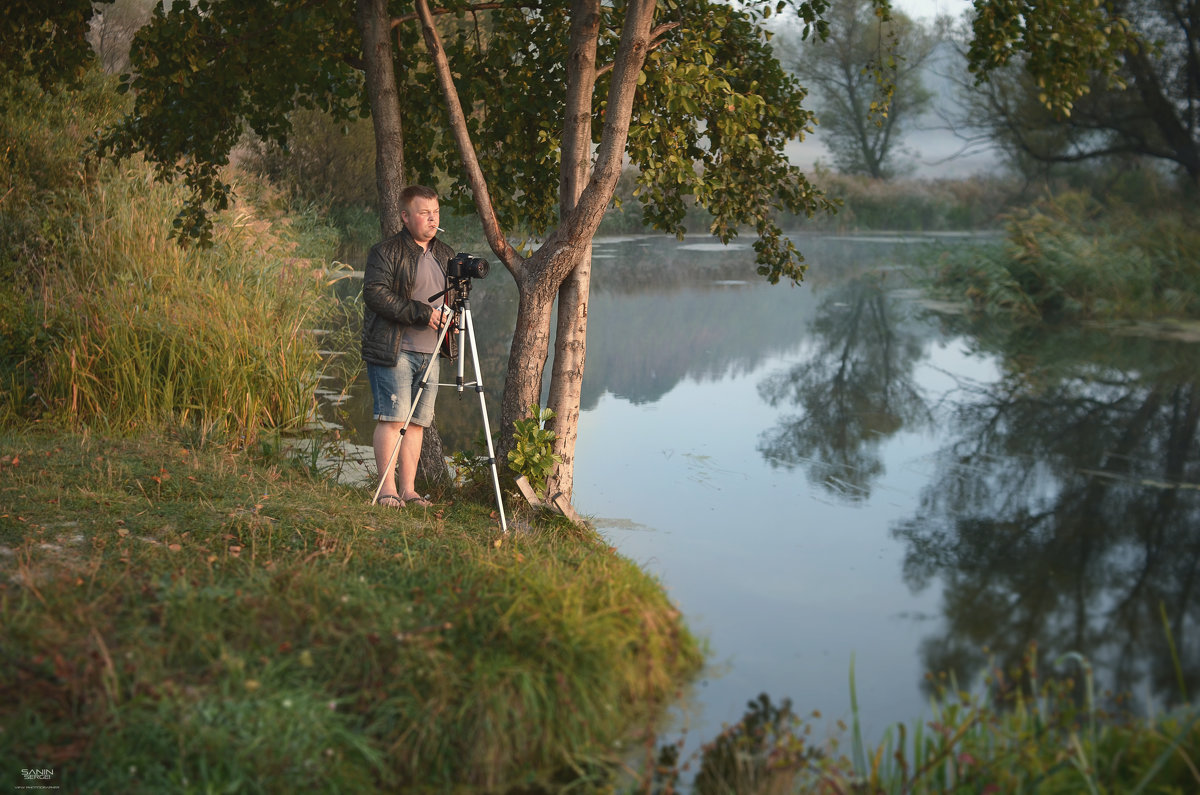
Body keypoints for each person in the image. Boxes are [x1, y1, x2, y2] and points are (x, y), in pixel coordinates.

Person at [361, 185, 454, 508]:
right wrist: (422, 313)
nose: (432, 219)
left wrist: (450, 320)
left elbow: (452, 299)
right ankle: (386, 490)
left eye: (436, 213)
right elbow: (375, 294)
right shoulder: (385, 252)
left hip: (431, 352)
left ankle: (409, 491)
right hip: (394, 347)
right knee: (393, 418)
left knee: (416, 423)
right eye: (424, 213)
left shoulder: (446, 253)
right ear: (405, 216)